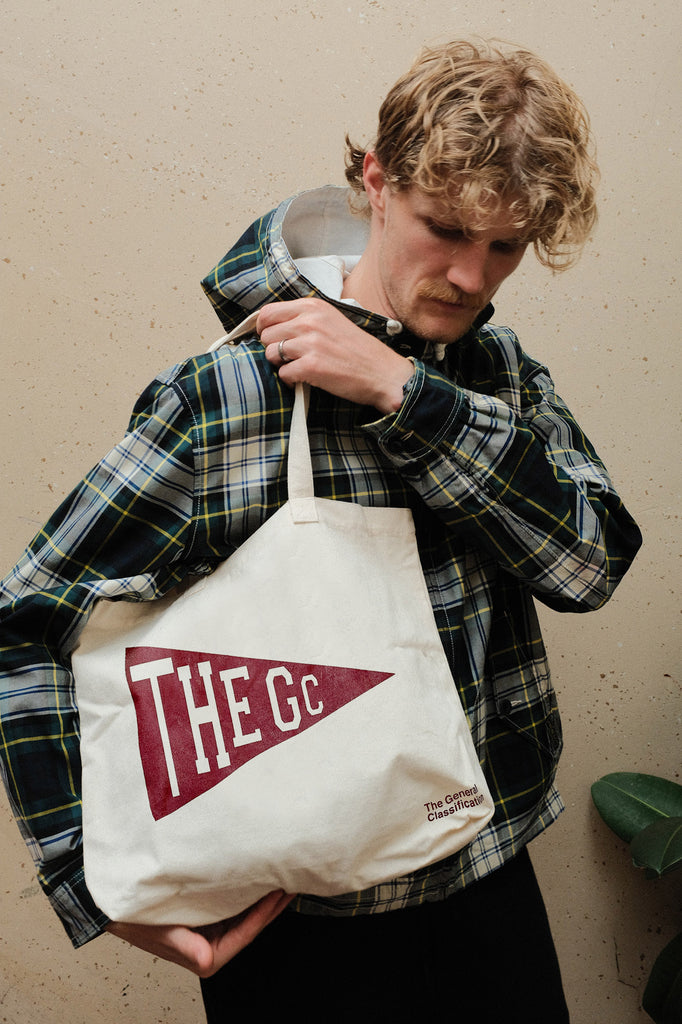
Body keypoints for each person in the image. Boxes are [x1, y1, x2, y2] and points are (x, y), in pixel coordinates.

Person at [0, 39, 641, 1022]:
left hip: (488, 881)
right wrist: (86, 879)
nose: (471, 277)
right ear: (375, 181)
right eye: (445, 228)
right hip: (297, 922)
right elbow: (27, 619)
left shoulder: (493, 370)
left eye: (504, 246)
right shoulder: (226, 396)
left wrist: (405, 395)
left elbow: (590, 562)